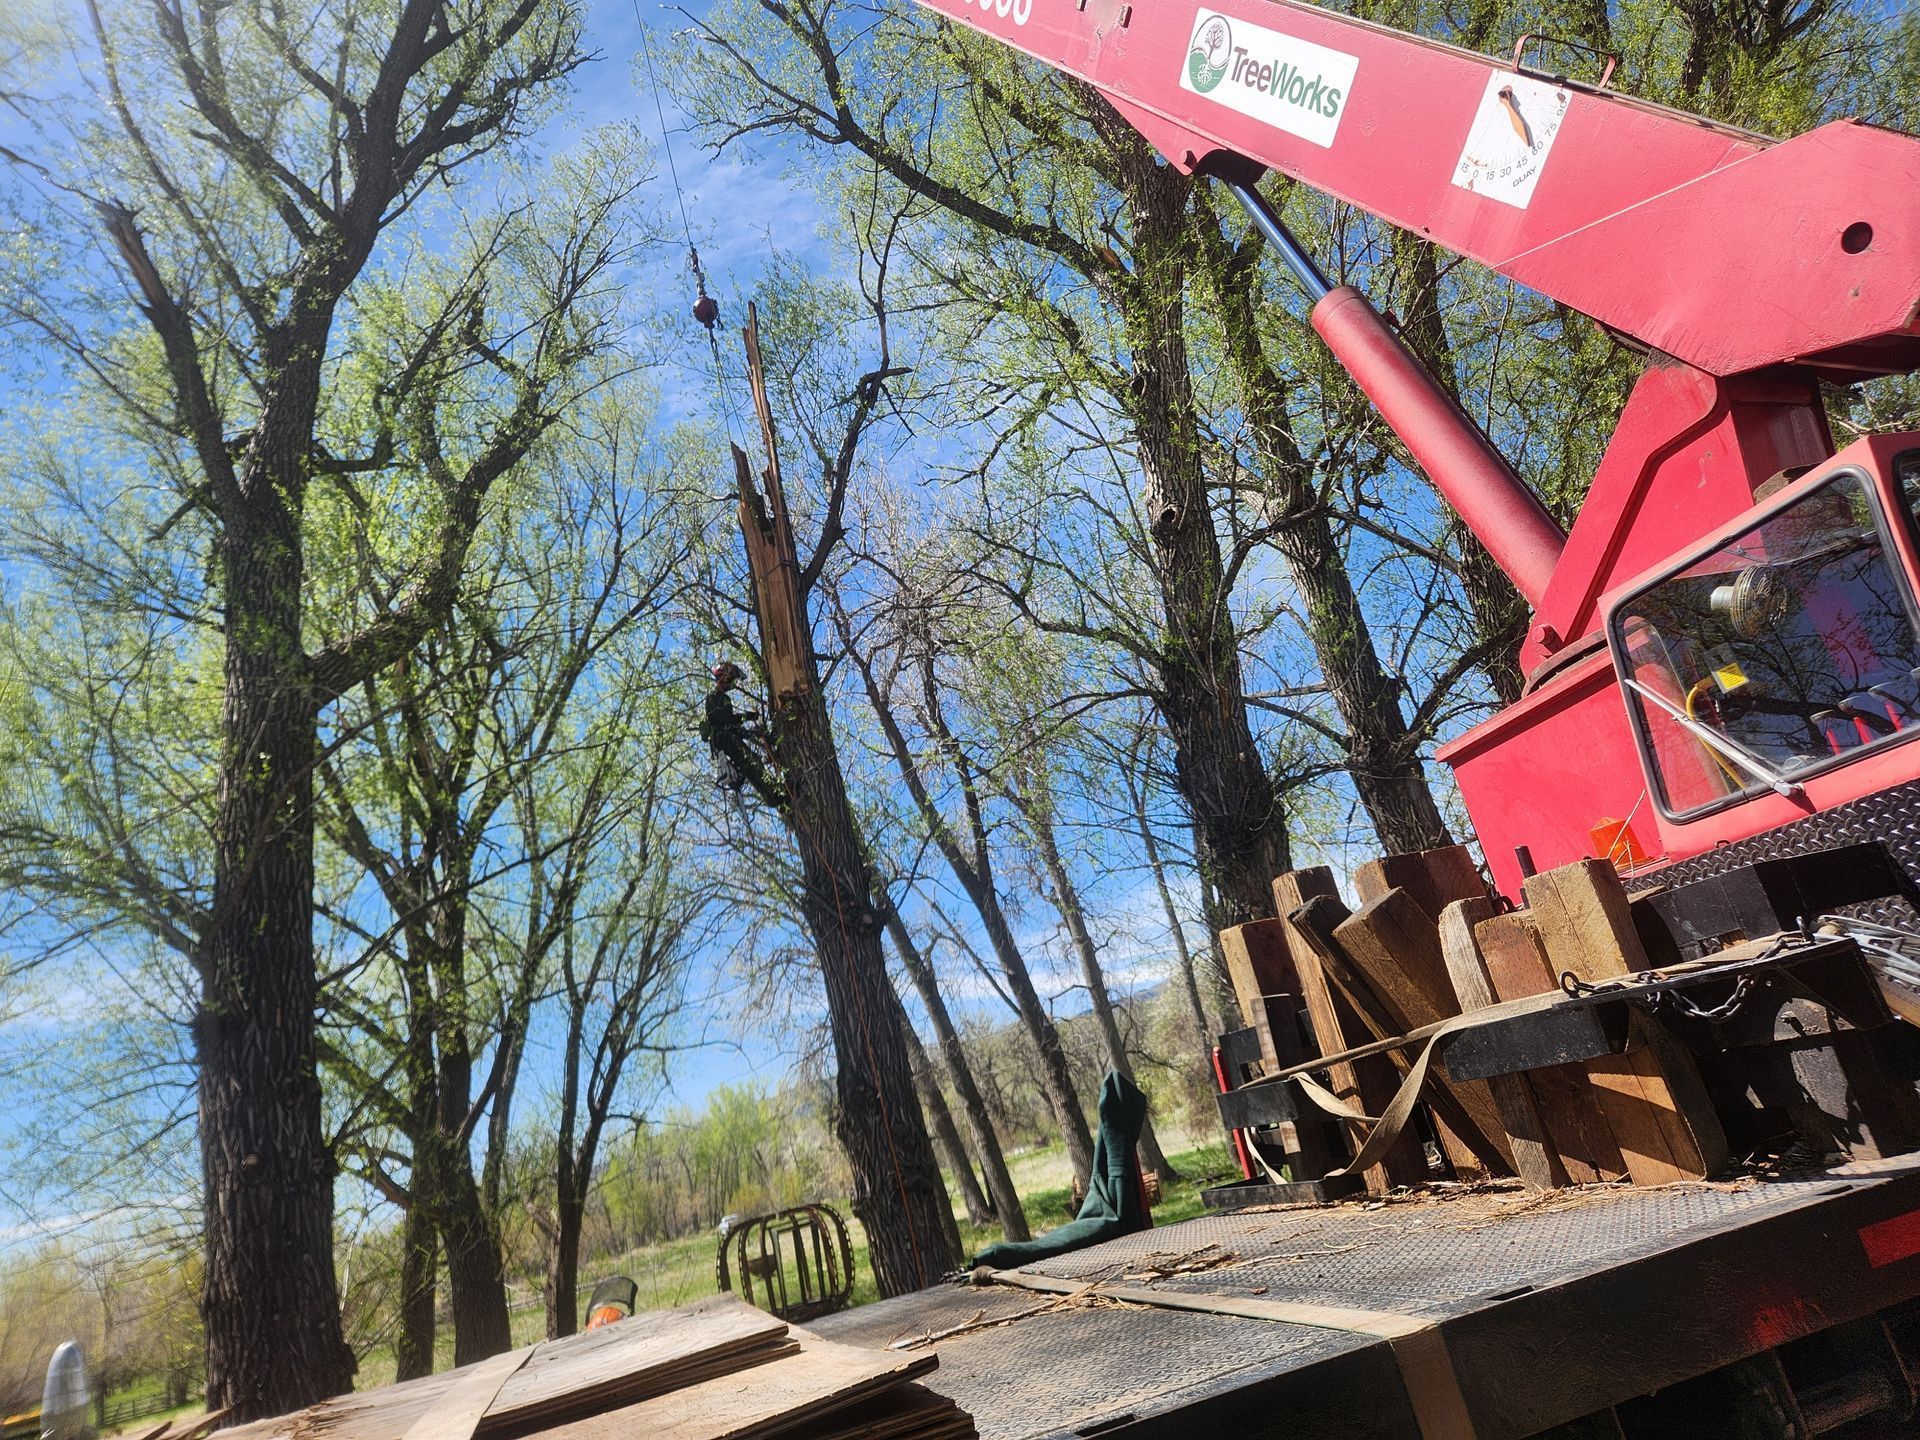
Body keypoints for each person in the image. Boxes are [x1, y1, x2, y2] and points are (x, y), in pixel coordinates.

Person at [701, 661, 785, 808]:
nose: (731, 683)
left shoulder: (723, 698)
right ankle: (776, 793)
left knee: (751, 763)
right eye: (730, 679)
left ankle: (773, 797)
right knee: (750, 762)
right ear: (724, 678)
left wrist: (750, 730)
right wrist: (748, 716)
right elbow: (726, 719)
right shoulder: (714, 697)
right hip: (726, 739)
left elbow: (731, 723)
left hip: (729, 737)